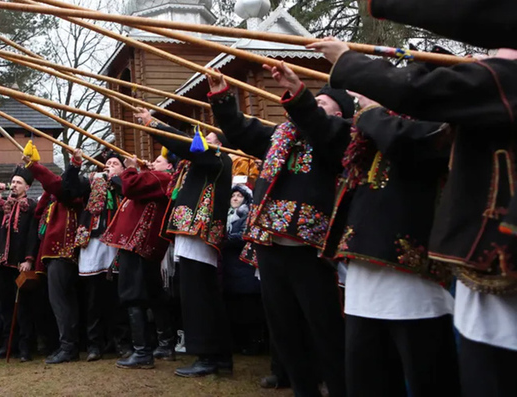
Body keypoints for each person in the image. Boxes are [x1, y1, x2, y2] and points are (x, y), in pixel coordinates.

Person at [310, 39, 517, 396]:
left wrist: (373, 111)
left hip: (413, 265)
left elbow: (411, 144)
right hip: (364, 262)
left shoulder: (439, 121)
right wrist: (301, 98)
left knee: (428, 374)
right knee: (367, 373)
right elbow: (329, 134)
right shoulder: (372, 127)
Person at [208, 65, 352, 397]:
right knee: (284, 331)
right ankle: (303, 390)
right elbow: (242, 131)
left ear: (339, 114)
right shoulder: (280, 134)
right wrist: (223, 97)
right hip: (270, 245)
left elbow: (318, 125)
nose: (316, 107)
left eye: (324, 104)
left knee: (325, 329)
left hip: (309, 248)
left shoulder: (340, 137)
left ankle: (341, 388)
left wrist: (298, 94)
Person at [134, 107, 233, 378]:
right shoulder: (204, 161)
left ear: (221, 145)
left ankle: (207, 356)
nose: (205, 140)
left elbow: (185, 145)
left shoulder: (218, 159)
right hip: (191, 233)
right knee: (202, 295)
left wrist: (154, 123)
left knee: (198, 297)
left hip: (198, 231)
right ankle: (219, 356)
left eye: (211, 137)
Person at [101, 152, 177, 369]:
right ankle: (165, 345)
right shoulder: (155, 178)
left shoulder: (163, 178)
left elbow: (131, 187)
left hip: (137, 244)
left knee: (132, 295)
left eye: (158, 161)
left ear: (169, 166)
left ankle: (142, 351)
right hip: (139, 244)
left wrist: (131, 168)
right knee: (153, 295)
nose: (152, 162)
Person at [65, 149, 125, 362]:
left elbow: (127, 190)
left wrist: (116, 178)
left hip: (115, 240)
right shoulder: (92, 181)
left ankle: (119, 341)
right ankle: (94, 345)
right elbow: (69, 187)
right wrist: (75, 164)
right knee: (93, 297)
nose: (109, 165)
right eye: (107, 163)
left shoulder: (126, 182)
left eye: (115, 163)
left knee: (116, 295)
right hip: (91, 241)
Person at [25, 155, 85, 364]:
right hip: (54, 256)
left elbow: (55, 184)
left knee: (62, 303)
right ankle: (65, 345)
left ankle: (68, 347)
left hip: (62, 254)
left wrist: (34, 166)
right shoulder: (56, 198)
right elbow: (39, 210)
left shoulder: (70, 195)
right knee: (60, 302)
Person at [0, 165, 38, 362]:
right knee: (5, 307)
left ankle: (25, 348)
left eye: (18, 183)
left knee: (22, 307)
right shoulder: (1, 205)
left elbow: (32, 234)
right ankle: (8, 345)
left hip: (19, 263)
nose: (14, 185)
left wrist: (29, 259)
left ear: (27, 187)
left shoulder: (31, 206)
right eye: (13, 182)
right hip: (1, 263)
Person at [222, 184, 266, 356]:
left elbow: (243, 237)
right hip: (229, 267)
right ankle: (238, 341)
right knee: (233, 306)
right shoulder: (225, 216)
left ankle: (254, 342)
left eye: (239, 196)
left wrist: (224, 239)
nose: (235, 198)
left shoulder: (247, 216)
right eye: (233, 195)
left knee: (249, 307)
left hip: (244, 267)